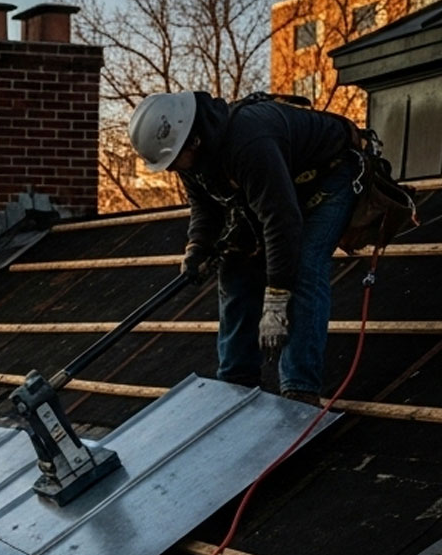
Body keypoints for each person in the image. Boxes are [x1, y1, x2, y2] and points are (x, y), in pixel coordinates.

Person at [128, 90, 360, 404]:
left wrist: (276, 299)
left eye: (173, 161)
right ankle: (236, 385)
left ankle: (299, 390)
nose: (171, 170)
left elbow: (281, 221)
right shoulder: (189, 158)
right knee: (234, 264)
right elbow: (205, 207)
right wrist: (197, 248)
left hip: (329, 177)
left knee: (304, 266)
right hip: (280, 187)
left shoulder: (249, 142)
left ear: (192, 140)